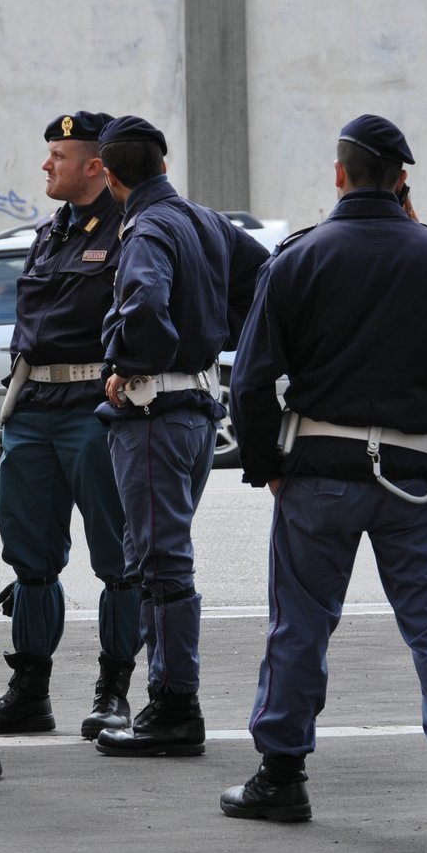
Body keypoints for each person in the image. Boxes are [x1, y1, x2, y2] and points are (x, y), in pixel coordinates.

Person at [220, 114, 427, 836]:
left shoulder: (295, 259)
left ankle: (282, 776)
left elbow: (251, 383)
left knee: (301, 627)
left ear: (340, 174)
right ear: (402, 181)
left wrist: (268, 468)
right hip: (415, 472)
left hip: (319, 467)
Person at [90, 115, 268, 758]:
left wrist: (130, 363)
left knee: (160, 562)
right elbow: (263, 277)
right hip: (195, 408)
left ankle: (173, 708)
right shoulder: (205, 219)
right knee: (161, 556)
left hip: (154, 413)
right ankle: (167, 701)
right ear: (163, 162)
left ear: (109, 175)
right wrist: (232, 339)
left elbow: (142, 304)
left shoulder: (146, 227)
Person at [0, 112, 141, 740]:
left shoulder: (130, 231)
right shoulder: (48, 234)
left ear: (96, 165)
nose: (46, 165)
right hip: (34, 407)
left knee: (119, 558)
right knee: (30, 558)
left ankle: (113, 692)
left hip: (94, 408)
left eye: (58, 155)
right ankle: (29, 693)